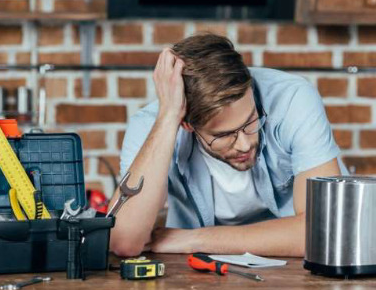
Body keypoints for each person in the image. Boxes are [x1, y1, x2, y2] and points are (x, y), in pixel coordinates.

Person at [109, 33, 345, 257]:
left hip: (296, 272)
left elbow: (322, 231)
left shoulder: (293, 99)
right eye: (224, 135)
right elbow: (124, 241)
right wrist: (168, 117)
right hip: (199, 277)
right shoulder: (152, 125)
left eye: (251, 121)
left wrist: (194, 240)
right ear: (187, 124)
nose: (243, 144)